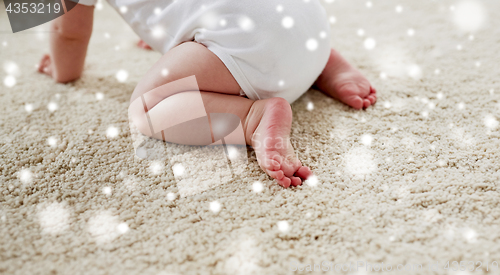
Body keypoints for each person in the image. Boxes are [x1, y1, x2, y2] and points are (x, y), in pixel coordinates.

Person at [38, 0, 377, 188]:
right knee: (263, 18)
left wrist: (61, 68)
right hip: (308, 24)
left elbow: (68, 34)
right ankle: (329, 65)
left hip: (253, 52)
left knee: (146, 108)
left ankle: (251, 118)